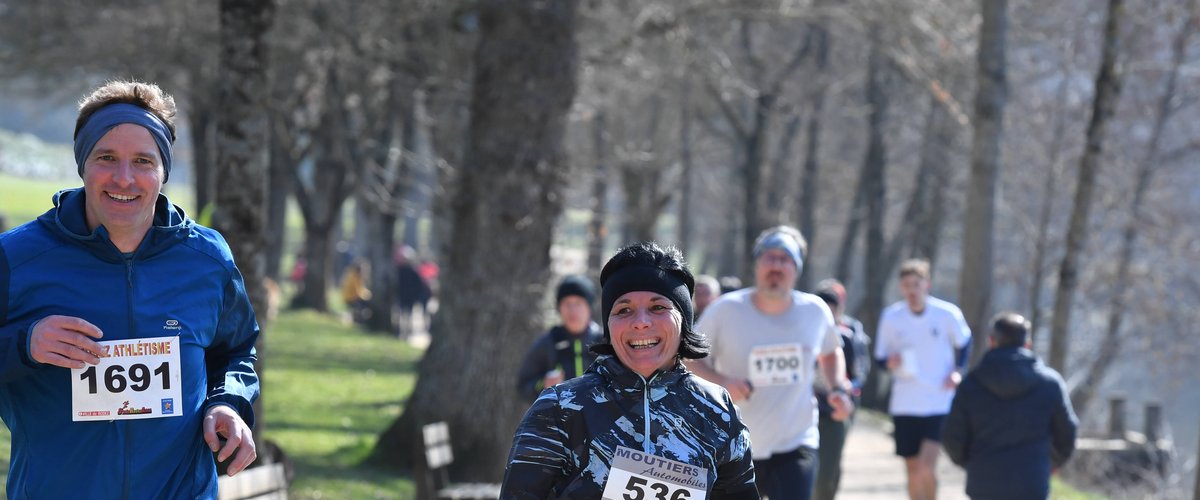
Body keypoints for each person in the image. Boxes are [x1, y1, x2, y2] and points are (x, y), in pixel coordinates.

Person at [0, 80, 259, 497]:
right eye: (106, 157)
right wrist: (25, 344)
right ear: (83, 163)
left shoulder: (206, 259)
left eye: (143, 161)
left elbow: (235, 350)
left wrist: (227, 402)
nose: (124, 178)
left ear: (163, 172)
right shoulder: (17, 258)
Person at [501, 242, 759, 499]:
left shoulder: (717, 409)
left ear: (683, 320)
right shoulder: (558, 408)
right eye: (624, 310)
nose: (641, 323)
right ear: (608, 326)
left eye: (658, 307)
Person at [688, 226, 853, 500]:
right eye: (769, 257)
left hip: (795, 441)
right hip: (733, 445)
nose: (776, 265)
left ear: (796, 268)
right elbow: (689, 358)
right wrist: (724, 384)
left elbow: (831, 351)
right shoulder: (725, 310)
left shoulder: (814, 311)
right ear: (757, 264)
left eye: (785, 259)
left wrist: (837, 387)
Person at [942, 312, 1077, 499]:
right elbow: (1067, 433)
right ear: (1027, 344)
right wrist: (1048, 464)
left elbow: (952, 436)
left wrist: (972, 463)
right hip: (1032, 482)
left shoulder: (971, 384)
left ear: (991, 341)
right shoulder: (1050, 383)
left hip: (983, 483)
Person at [874, 258, 971, 500]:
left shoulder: (946, 314)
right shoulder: (891, 317)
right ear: (901, 288)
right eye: (907, 285)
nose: (912, 290)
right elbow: (879, 358)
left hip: (938, 401)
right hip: (905, 403)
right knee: (913, 470)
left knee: (927, 466)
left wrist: (957, 370)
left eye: (916, 284)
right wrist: (890, 362)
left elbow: (965, 341)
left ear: (926, 285)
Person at [811, 279, 871, 500]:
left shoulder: (848, 335)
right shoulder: (802, 332)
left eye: (831, 308)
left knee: (829, 465)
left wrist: (845, 389)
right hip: (807, 407)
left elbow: (859, 372)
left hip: (836, 409)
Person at [514, 275, 604, 402]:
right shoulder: (548, 342)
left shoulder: (605, 342)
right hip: (558, 420)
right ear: (559, 308)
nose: (572, 310)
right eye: (567, 303)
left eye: (578, 303)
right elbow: (523, 386)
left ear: (589, 307)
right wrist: (544, 384)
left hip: (599, 419)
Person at [340, 257, 373, 325]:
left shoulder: (352, 274)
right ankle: (360, 321)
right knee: (366, 305)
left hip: (350, 297)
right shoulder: (354, 277)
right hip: (350, 298)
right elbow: (358, 292)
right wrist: (367, 296)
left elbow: (361, 290)